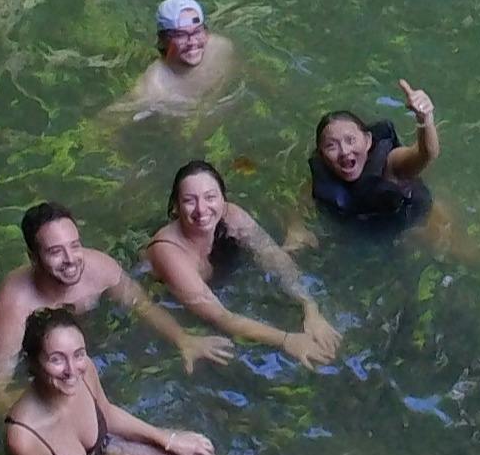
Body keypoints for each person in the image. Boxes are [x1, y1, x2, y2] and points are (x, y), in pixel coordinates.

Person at [0, 200, 229, 411]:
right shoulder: (16, 304)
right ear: (33, 257)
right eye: (55, 251)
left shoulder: (100, 268)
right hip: (44, 367)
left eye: (75, 246)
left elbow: (142, 305)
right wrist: (64, 404)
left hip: (88, 350)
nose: (71, 260)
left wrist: (182, 339)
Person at [2, 306, 212, 455]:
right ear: (32, 363)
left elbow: (108, 414)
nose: (72, 370)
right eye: (56, 359)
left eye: (78, 354)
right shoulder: (23, 438)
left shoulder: (85, 370)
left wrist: (168, 440)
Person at [146, 158, 338, 363]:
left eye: (210, 197)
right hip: (167, 295)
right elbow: (220, 316)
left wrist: (309, 306)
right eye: (189, 200)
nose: (201, 209)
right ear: (176, 206)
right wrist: (286, 340)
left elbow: (274, 258)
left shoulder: (232, 216)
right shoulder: (168, 252)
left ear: (222, 199)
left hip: (216, 278)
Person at [303, 87, 438, 236]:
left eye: (350, 140)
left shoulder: (391, 164)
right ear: (322, 155)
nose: (344, 151)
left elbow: (426, 154)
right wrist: (296, 228)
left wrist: (425, 119)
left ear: (368, 141)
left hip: (420, 224)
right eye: (331, 146)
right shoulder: (324, 174)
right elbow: (303, 198)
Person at [114, 0, 245, 121]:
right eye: (180, 35)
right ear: (163, 40)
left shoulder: (221, 48)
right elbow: (107, 120)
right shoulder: (153, 88)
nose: (193, 42)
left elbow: (244, 73)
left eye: (197, 32)